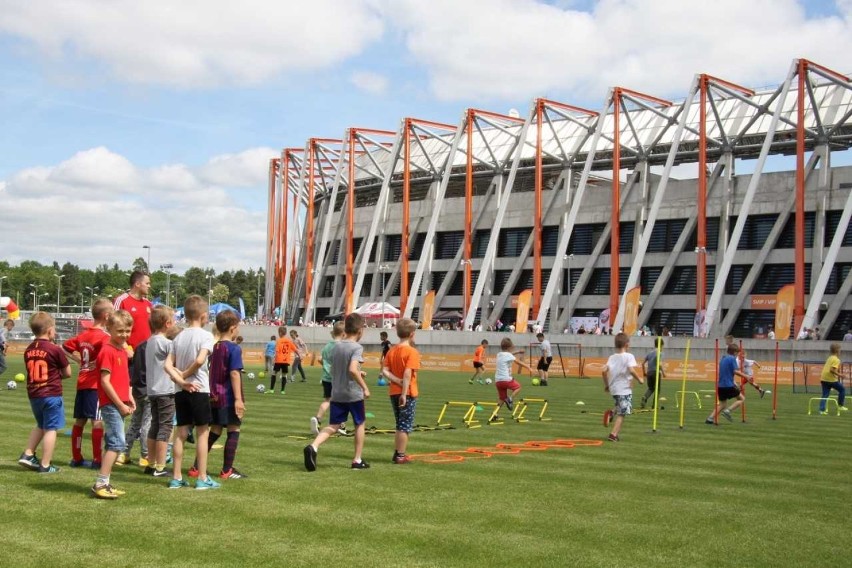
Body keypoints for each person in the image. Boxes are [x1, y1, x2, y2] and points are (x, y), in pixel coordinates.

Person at [303, 312, 371, 471]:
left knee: (333, 425)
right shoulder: (357, 347)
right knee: (359, 423)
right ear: (360, 330)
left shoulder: (336, 346)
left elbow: (337, 368)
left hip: (337, 392)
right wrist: (365, 387)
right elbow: (353, 370)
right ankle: (357, 460)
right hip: (353, 394)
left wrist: (358, 373)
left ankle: (313, 446)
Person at [165, 295, 218, 490]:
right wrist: (187, 376)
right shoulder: (206, 336)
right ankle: (202, 478)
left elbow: (167, 365)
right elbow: (199, 360)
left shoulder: (179, 336)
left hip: (180, 390)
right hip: (199, 388)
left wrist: (180, 380)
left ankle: (176, 477)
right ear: (204, 316)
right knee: (203, 432)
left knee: (181, 432)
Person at [191, 310, 247, 479]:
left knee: (215, 429)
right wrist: (238, 399)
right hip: (228, 396)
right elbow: (235, 373)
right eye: (237, 327)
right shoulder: (233, 348)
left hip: (214, 395)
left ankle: (196, 467)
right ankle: (227, 470)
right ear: (232, 328)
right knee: (234, 428)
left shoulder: (214, 347)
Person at [18, 312, 71, 474]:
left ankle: (28, 454)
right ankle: (46, 464)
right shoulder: (54, 349)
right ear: (49, 330)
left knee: (41, 425)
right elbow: (67, 372)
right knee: (51, 428)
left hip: (34, 394)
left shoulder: (28, 349)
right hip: (51, 394)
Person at [91, 310, 136, 498]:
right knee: (118, 443)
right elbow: (105, 382)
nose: (124, 335)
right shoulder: (107, 351)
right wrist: (120, 404)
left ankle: (106, 482)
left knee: (114, 442)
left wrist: (129, 396)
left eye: (127, 330)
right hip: (111, 404)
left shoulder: (122, 351)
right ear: (109, 328)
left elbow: (123, 379)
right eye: (120, 331)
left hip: (120, 402)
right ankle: (101, 483)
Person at [62, 298, 112, 468]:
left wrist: (80, 361)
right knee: (97, 421)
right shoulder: (104, 337)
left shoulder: (83, 334)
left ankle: (76, 457)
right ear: (106, 316)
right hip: (94, 384)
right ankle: (97, 459)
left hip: (82, 382)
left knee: (79, 421)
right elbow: (107, 356)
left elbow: (66, 346)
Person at [144, 305, 188, 477]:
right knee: (166, 427)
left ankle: (151, 463)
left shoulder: (150, 341)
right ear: (168, 323)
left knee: (155, 426)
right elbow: (179, 351)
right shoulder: (165, 343)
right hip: (165, 390)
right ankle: (161, 467)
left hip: (153, 390)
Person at [381, 318, 421, 464]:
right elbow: (407, 373)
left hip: (394, 391)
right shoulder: (412, 352)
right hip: (407, 392)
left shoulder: (392, 351)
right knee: (405, 426)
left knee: (399, 424)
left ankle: (397, 452)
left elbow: (385, 371)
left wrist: (396, 381)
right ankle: (400, 455)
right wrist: (404, 392)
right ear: (412, 334)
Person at [601, 333, 644, 441]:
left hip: (614, 388)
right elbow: (631, 370)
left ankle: (611, 413)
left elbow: (603, 372)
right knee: (622, 413)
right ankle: (613, 434)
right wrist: (640, 380)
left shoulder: (611, 357)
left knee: (619, 404)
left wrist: (606, 385)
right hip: (623, 389)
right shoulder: (629, 356)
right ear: (627, 344)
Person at [121, 324, 152, 467]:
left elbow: (134, 367)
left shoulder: (140, 346)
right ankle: (145, 455)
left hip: (138, 389)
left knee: (135, 422)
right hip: (149, 390)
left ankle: (124, 452)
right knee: (146, 423)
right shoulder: (154, 346)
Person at [311, 321, 346, 435]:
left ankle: (318, 418)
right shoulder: (341, 346)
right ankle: (341, 424)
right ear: (343, 333)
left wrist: (326, 367)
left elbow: (321, 360)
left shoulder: (327, 346)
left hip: (326, 378)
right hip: (337, 378)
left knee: (328, 400)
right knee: (342, 401)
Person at [113, 270, 153, 360]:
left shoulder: (148, 304)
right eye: (147, 283)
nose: (149, 286)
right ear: (138, 284)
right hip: (128, 355)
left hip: (146, 354)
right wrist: (126, 348)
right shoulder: (121, 301)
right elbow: (112, 326)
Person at [705, 344, 750, 424]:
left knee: (722, 404)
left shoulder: (723, 359)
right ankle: (727, 411)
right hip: (728, 385)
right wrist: (746, 376)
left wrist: (735, 384)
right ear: (735, 352)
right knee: (741, 399)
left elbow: (727, 373)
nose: (738, 356)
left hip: (721, 386)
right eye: (737, 354)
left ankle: (710, 419)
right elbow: (735, 371)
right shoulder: (732, 359)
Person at [493, 337, 531, 418]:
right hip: (506, 379)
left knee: (501, 399)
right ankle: (510, 399)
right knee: (518, 387)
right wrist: (528, 367)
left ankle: (494, 414)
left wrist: (518, 351)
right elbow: (518, 362)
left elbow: (509, 355)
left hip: (498, 381)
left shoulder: (499, 354)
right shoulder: (509, 355)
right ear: (509, 347)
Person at [819, 343, 848, 414]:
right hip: (830, 379)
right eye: (840, 349)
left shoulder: (830, 357)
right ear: (837, 350)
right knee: (842, 389)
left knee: (825, 394)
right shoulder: (836, 359)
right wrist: (840, 375)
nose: (840, 351)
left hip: (823, 378)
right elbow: (832, 370)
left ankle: (821, 410)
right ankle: (840, 406)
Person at [640, 339, 666, 409]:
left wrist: (644, 372)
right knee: (657, 389)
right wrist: (663, 373)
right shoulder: (659, 353)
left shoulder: (649, 353)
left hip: (649, 373)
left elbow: (642, 364)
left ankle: (645, 397)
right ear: (661, 345)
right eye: (663, 346)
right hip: (656, 372)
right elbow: (659, 364)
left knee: (651, 388)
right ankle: (654, 405)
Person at [269, 326, 296, 394]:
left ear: (280, 333)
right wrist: (300, 355)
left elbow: (277, 351)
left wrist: (274, 359)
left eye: (278, 332)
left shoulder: (279, 341)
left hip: (279, 360)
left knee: (274, 373)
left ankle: (271, 390)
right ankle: (282, 391)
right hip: (286, 361)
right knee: (284, 375)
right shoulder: (289, 341)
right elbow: (295, 349)